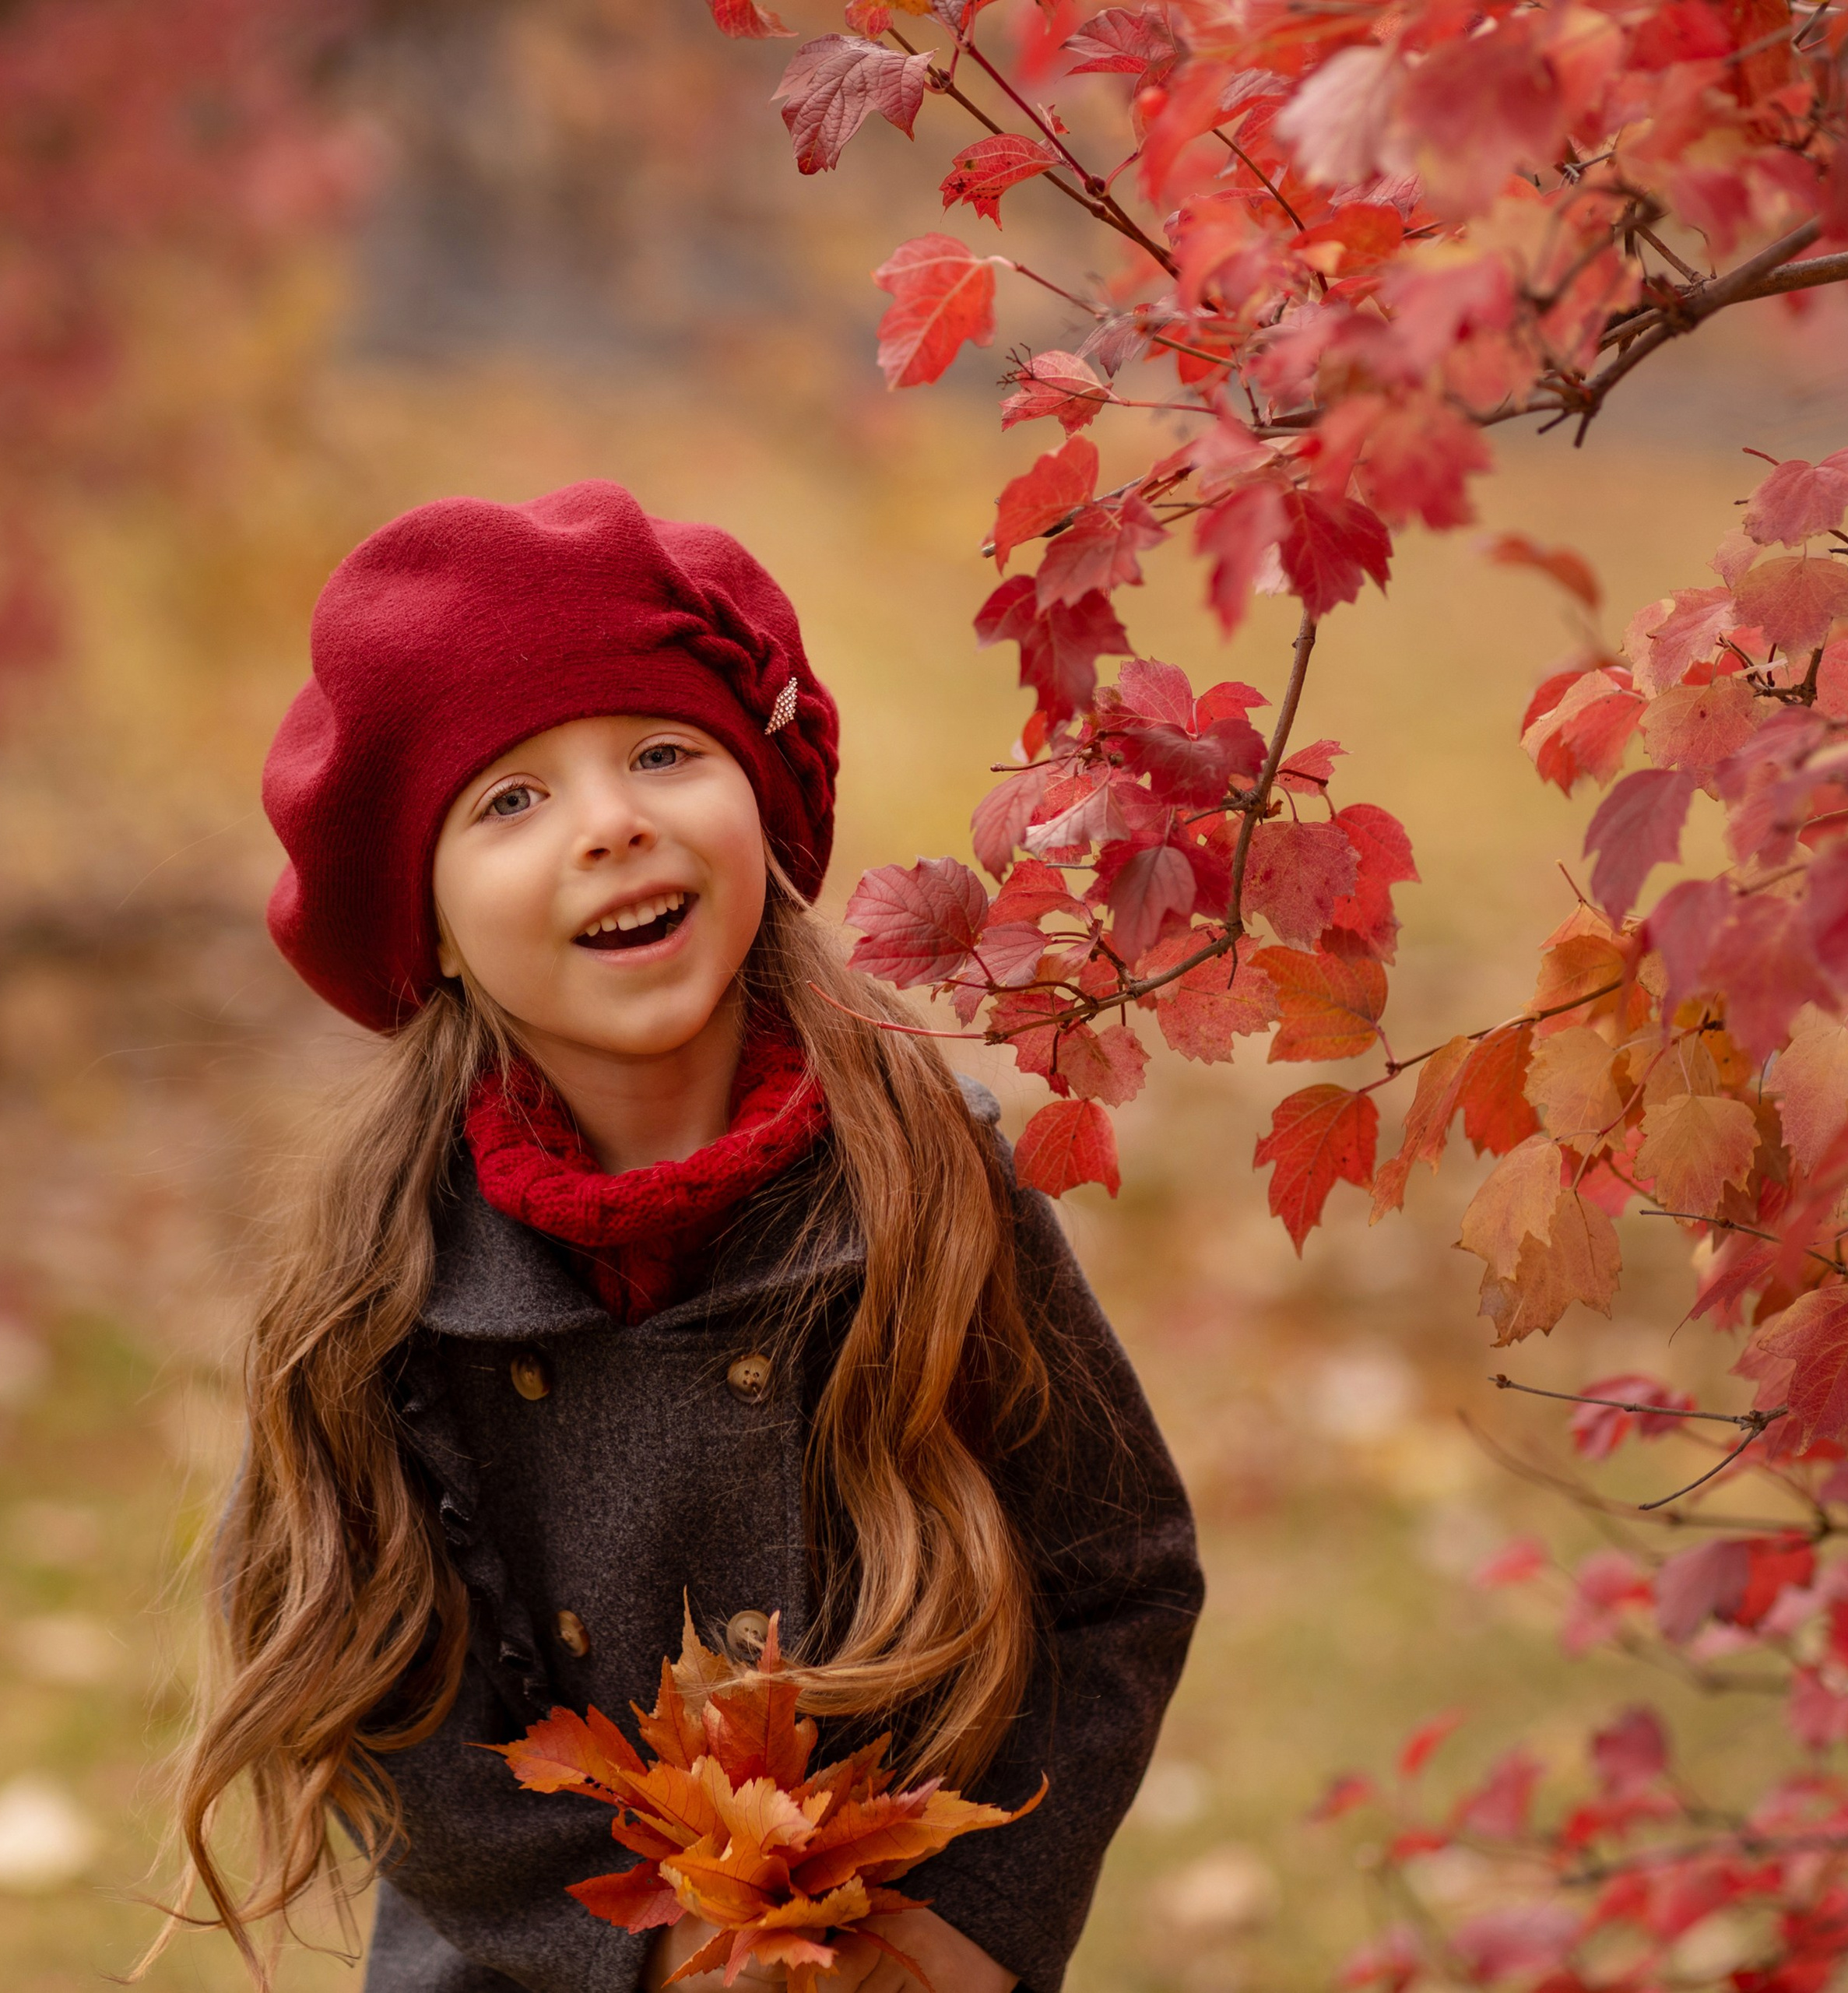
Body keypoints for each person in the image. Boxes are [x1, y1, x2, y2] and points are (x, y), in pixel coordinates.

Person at [163, 481, 1203, 1993]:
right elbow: (373, 1680)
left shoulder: (931, 1181)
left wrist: (970, 1925)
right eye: (508, 799)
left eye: (660, 751)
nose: (611, 822)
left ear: (765, 811)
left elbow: (1118, 1575)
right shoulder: (382, 1281)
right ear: (430, 923)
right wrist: (638, 1955)